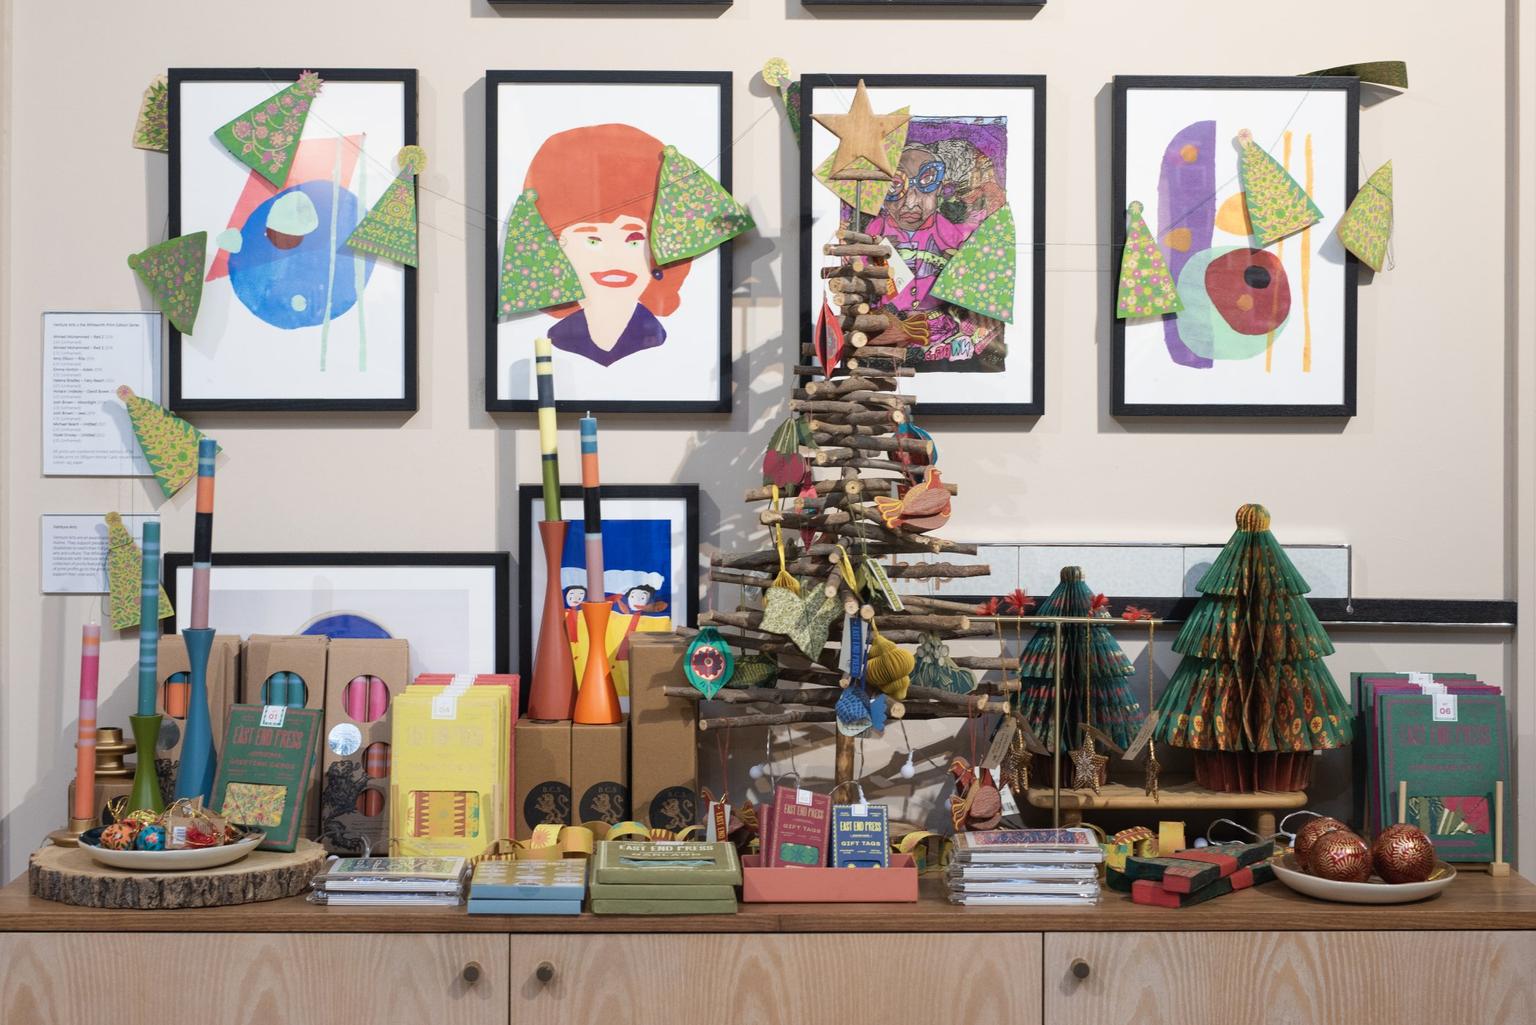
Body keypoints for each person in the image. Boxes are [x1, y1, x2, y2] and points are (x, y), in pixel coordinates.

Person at [523, 124, 691, 366]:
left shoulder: (659, 342)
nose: (615, 257)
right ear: (557, 246)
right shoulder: (557, 340)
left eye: (633, 241)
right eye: (593, 240)